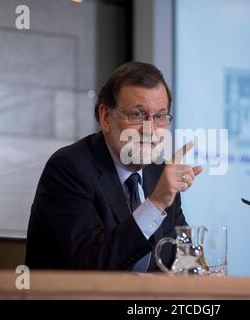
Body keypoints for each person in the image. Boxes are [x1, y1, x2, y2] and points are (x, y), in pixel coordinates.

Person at [25, 61, 202, 271]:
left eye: (160, 116)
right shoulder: (68, 169)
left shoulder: (159, 173)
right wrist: (154, 204)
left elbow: (187, 262)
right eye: (137, 115)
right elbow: (89, 267)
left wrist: (203, 271)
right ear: (106, 118)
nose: (150, 130)